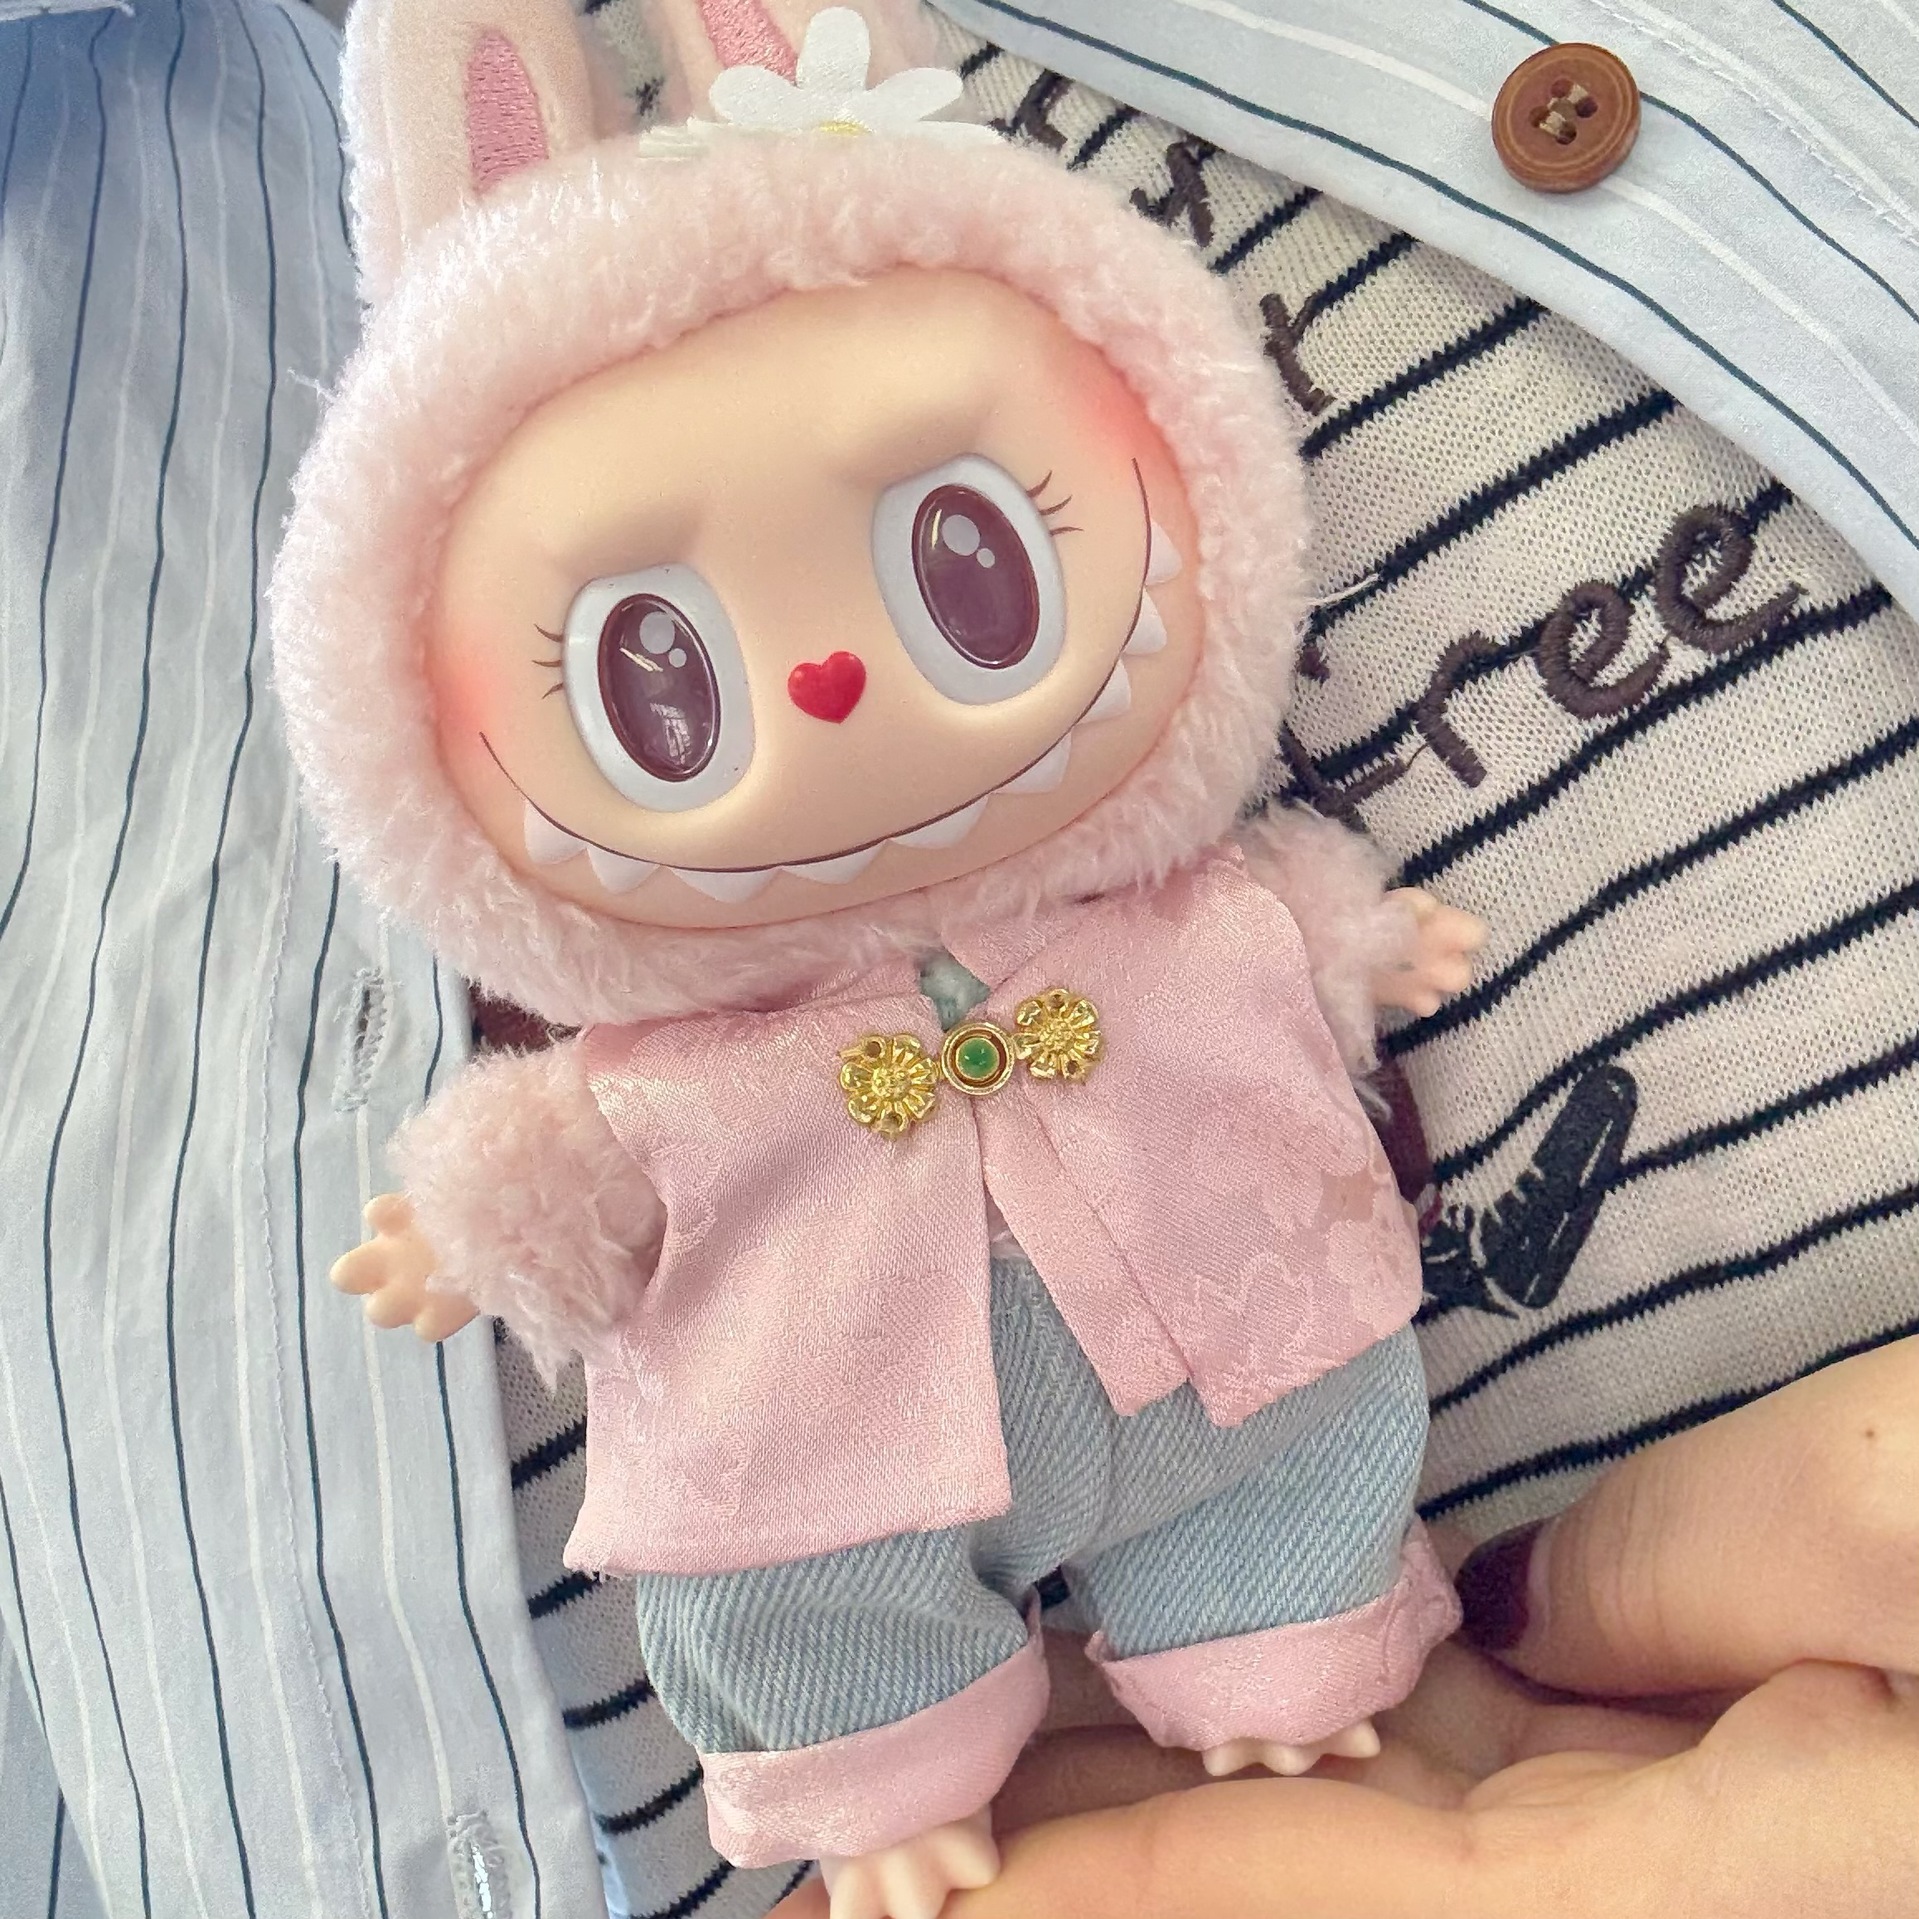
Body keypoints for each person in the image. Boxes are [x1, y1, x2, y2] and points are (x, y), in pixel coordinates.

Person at [0, 4, 1912, 1918]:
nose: (835, 683)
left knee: (1280, 1440)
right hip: (815, 1449)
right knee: (811, 1589)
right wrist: (476, 1223)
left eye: (966, 569)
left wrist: (1359, 941)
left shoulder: (1168, 918)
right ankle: (876, 1767)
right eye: (662, 681)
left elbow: (1285, 930)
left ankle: (1283, 1641)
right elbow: (545, 1174)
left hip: (1271, 1378)